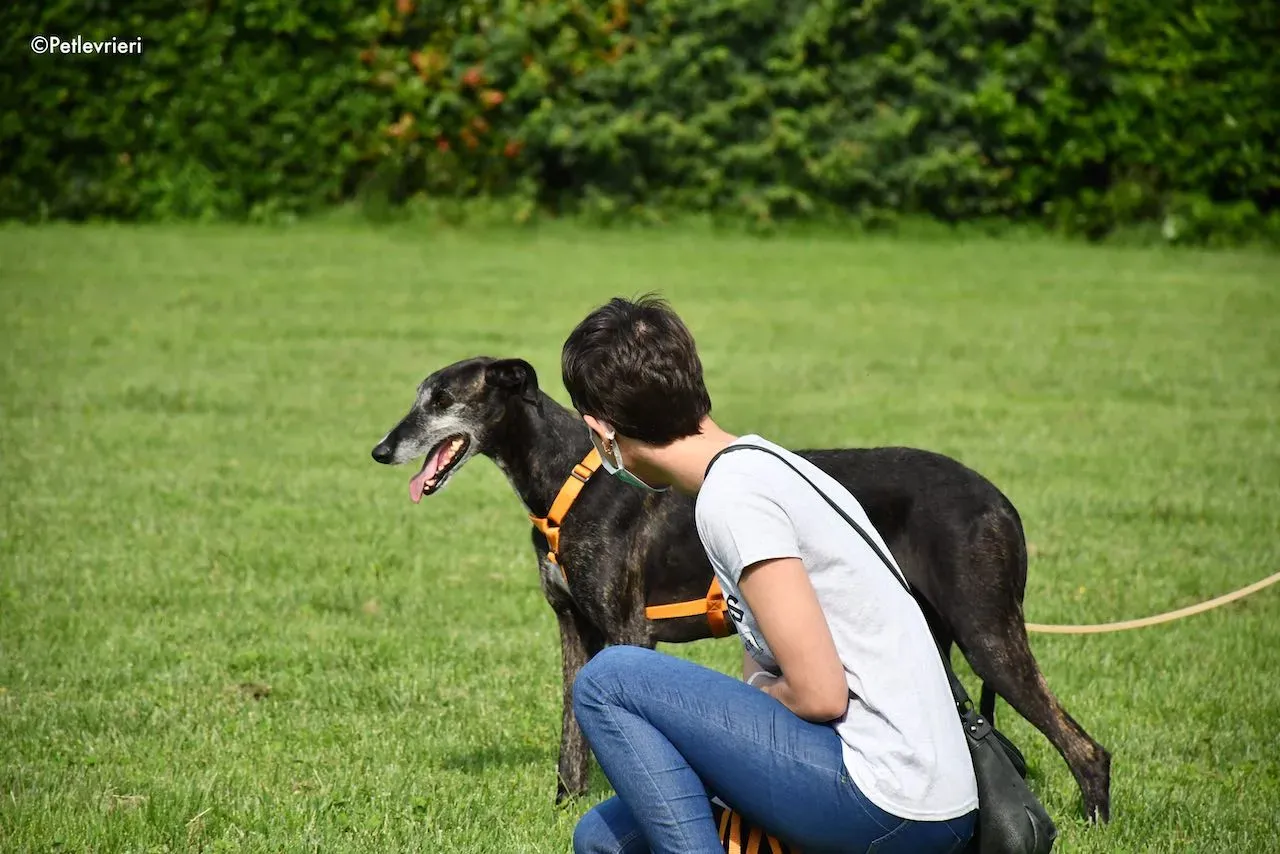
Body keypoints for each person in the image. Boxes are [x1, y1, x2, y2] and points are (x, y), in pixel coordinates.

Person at [560, 295, 979, 854]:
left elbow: (821, 693)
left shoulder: (734, 499)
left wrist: (733, 712)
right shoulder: (757, 466)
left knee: (606, 679)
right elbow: (774, 657)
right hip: (894, 786)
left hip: (893, 797)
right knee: (605, 838)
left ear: (601, 430)